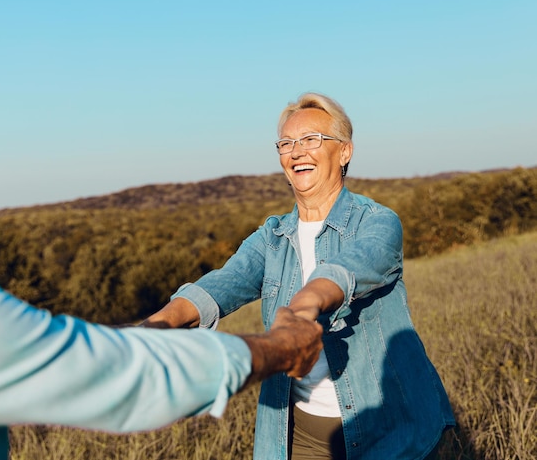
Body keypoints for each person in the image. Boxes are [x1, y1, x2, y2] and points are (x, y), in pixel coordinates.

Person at [0, 51, 324, 460]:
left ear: (345, 152)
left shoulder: (373, 223)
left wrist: (153, 327)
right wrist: (280, 348)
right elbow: (127, 374)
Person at [142, 92, 456, 459]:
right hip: (300, 434)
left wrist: (301, 310)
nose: (297, 152)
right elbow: (220, 285)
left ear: (344, 152)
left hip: (388, 428)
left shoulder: (378, 222)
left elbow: (343, 272)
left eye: (311, 140)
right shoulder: (272, 238)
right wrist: (153, 328)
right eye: (286, 143)